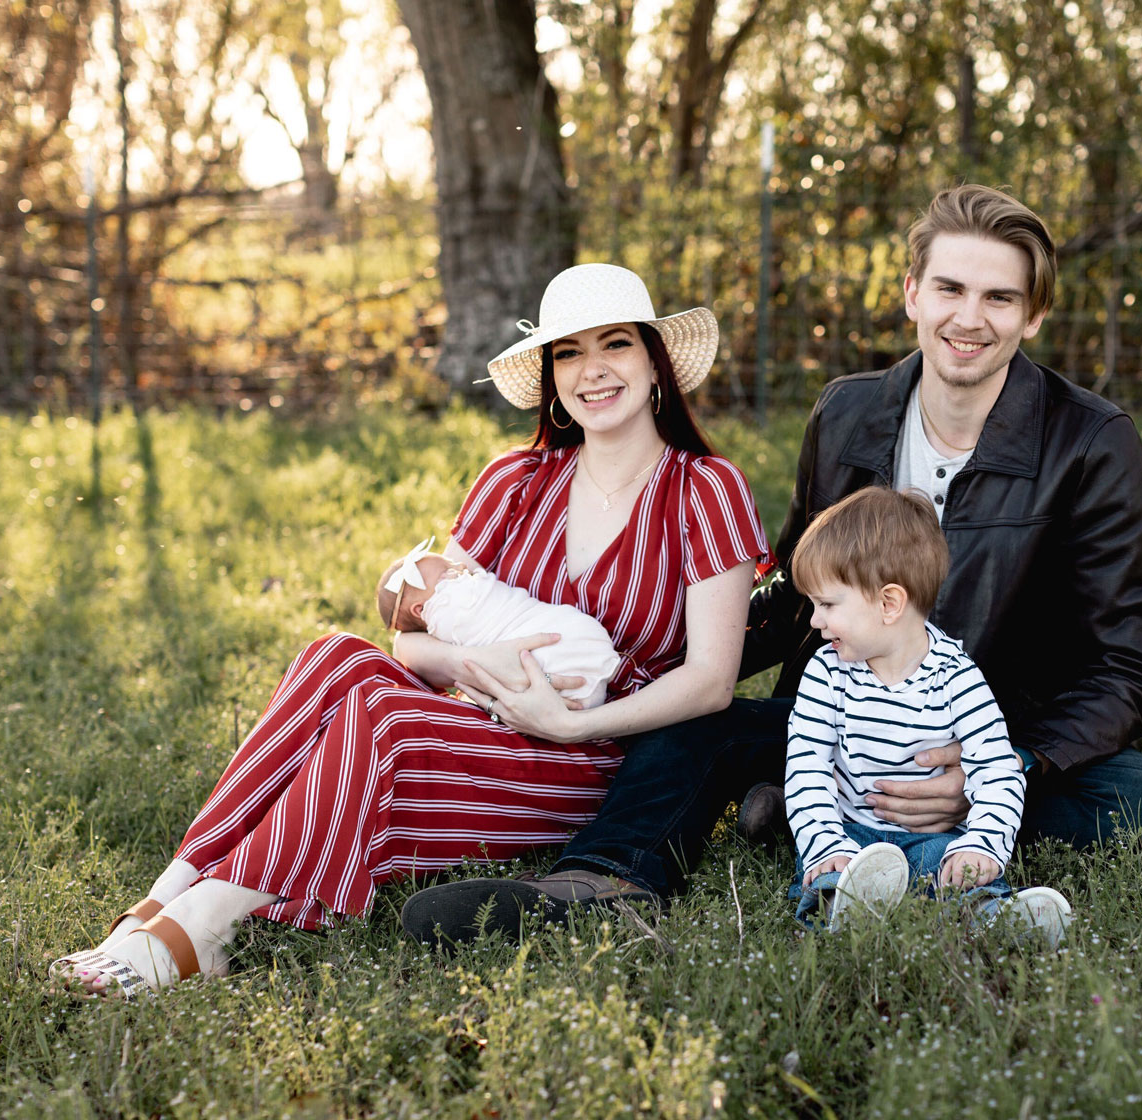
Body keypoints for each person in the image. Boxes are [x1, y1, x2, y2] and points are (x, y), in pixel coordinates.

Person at [400, 184, 1142, 948]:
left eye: (1000, 299)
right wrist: (681, 661)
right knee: (690, 729)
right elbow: (792, 593)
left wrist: (1007, 766)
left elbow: (1130, 661)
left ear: (1034, 314)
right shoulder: (848, 414)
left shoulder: (1091, 442)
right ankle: (600, 885)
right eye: (950, 288)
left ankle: (841, 817)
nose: (969, 319)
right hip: (839, 717)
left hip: (992, 729)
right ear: (913, 293)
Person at [49, 263, 770, 996]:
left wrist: (576, 724)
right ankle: (168, 890)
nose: (592, 370)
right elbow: (412, 640)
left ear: (654, 362)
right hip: (486, 725)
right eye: (568, 353)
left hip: (601, 757)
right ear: (552, 377)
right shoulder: (514, 481)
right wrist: (469, 656)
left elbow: (711, 682)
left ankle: (211, 920)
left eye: (614, 344)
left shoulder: (706, 490)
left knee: (383, 717)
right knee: (336, 657)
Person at [781, 486, 1070, 945]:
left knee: (957, 870)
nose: (815, 621)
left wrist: (982, 843)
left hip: (934, 837)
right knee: (829, 874)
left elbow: (995, 769)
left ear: (889, 603)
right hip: (849, 833)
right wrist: (825, 843)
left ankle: (997, 921)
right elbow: (807, 770)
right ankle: (844, 907)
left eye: (828, 605)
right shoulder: (825, 673)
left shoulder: (958, 679)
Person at [376, 538, 621, 709]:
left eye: (453, 565)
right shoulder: (446, 616)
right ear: (422, 611)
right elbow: (407, 646)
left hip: (561, 631)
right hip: (560, 660)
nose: (460, 567)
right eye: (447, 574)